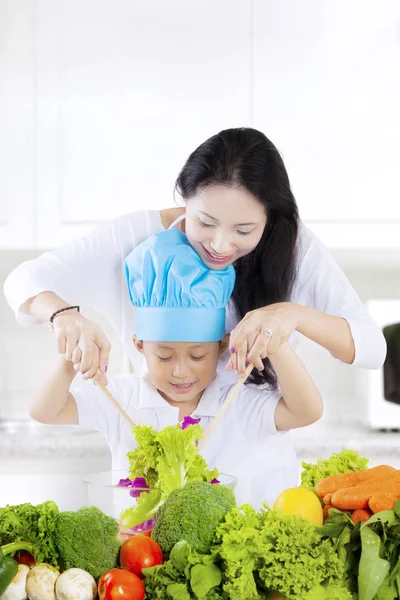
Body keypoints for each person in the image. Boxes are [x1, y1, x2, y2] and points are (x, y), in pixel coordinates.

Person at [4, 128, 386, 388]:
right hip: (159, 462)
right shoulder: (136, 236)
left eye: (244, 231)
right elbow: (23, 279)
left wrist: (292, 314)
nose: (220, 245)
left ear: (270, 220)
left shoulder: (294, 247)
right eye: (205, 222)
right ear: (184, 197)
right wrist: (63, 314)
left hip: (258, 467)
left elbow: (372, 347)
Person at [29, 228, 323, 507]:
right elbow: (45, 411)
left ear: (222, 345)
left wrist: (276, 344)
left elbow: (306, 411)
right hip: (137, 554)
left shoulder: (236, 402)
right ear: (140, 345)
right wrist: (71, 357)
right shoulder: (124, 397)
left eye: (197, 357)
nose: (181, 371)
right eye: (165, 357)